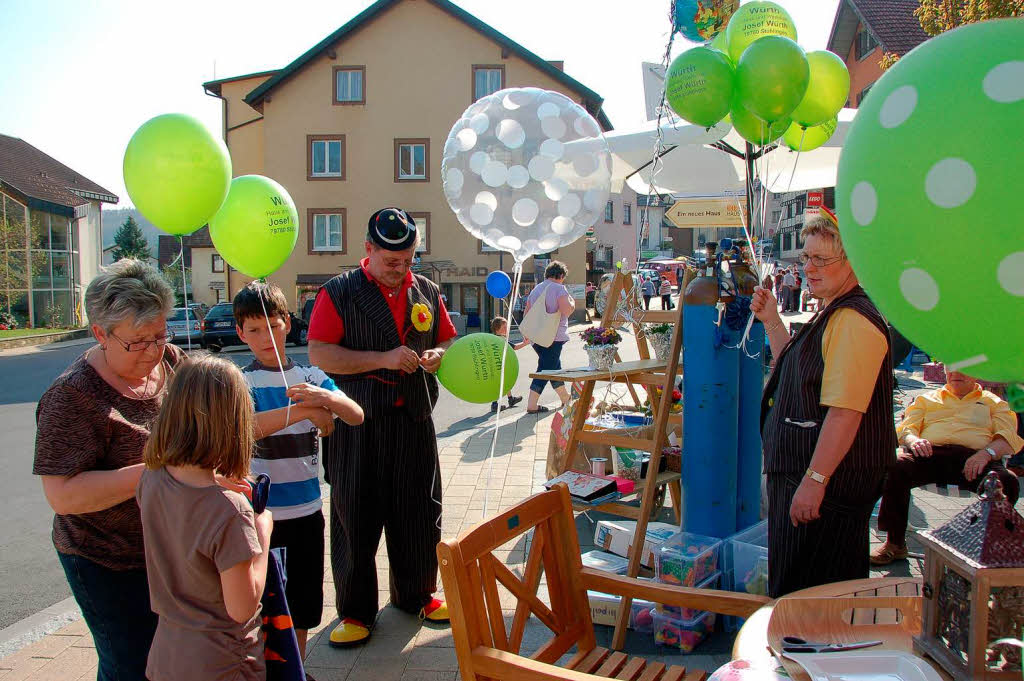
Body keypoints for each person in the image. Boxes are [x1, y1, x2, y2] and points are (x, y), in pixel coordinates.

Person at [306, 208, 457, 647]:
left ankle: (418, 594)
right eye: (392, 261)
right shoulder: (339, 292)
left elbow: (446, 338)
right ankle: (356, 611)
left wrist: (438, 355)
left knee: (420, 512)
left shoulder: (425, 289)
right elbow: (320, 353)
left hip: (413, 420)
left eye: (408, 260)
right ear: (368, 250)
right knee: (356, 515)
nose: (401, 270)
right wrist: (383, 358)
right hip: (357, 421)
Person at [33, 259, 184, 681]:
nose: (155, 351)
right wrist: (156, 467)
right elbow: (62, 495)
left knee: (168, 660)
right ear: (100, 333)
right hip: (105, 559)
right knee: (131, 666)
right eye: (139, 342)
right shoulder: (72, 397)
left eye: (160, 334)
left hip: (167, 550)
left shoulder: (170, 360)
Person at [751, 214, 896, 598]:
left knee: (811, 596)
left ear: (853, 262)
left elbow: (846, 411)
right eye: (806, 259)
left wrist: (814, 482)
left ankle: (806, 656)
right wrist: (772, 322)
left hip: (824, 486)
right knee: (809, 590)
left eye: (821, 260)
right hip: (808, 476)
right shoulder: (834, 311)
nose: (809, 269)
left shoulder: (852, 319)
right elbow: (799, 372)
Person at [233, 281, 364, 658]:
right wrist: (306, 412)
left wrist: (325, 398)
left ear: (287, 323)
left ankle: (296, 667)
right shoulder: (243, 380)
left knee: (302, 604)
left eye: (272, 326)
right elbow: (246, 428)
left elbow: (354, 415)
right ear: (240, 332)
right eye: (253, 329)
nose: (264, 337)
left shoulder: (310, 374)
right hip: (260, 514)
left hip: (307, 509)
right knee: (261, 604)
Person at [136, 354, 270, 681]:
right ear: (234, 422)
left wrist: (216, 484)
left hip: (167, 652)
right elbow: (241, 606)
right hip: (222, 659)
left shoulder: (151, 478)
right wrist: (262, 532)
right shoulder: (230, 511)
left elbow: (185, 517)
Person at [871, 370, 1023, 565]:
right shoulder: (926, 399)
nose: (955, 372)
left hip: (976, 457)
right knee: (897, 468)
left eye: (963, 368)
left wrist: (986, 454)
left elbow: (1008, 438)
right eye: (950, 367)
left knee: (1007, 481)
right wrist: (914, 440)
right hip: (932, 454)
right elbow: (905, 430)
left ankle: (995, 547)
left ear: (976, 374)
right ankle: (895, 543)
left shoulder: (994, 403)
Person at [522, 261, 575, 414]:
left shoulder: (536, 289)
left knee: (551, 367)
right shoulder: (559, 288)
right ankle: (533, 405)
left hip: (536, 337)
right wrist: (571, 301)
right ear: (561, 275)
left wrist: (527, 336)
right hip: (554, 337)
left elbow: (527, 314)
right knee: (547, 369)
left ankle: (565, 399)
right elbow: (567, 311)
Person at [489, 316, 527, 412]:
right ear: (497, 329)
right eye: (504, 328)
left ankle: (510, 399)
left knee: (504, 383)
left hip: (498, 365)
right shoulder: (501, 340)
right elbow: (514, 347)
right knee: (500, 384)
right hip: (499, 366)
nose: (507, 329)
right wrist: (525, 343)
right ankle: (494, 404)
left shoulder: (494, 338)